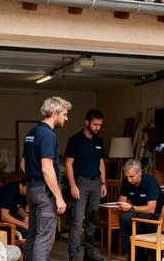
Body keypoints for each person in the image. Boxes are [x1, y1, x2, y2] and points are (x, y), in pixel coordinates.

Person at [23, 96, 71, 261]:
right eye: (64, 114)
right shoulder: (48, 135)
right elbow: (47, 168)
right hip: (44, 192)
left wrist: (33, 178)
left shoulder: (31, 132)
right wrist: (59, 197)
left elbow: (23, 164)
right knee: (44, 238)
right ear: (55, 113)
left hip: (32, 188)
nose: (66, 118)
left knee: (33, 234)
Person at [66, 109, 107, 261]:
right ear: (87, 122)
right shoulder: (75, 140)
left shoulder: (99, 141)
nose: (97, 127)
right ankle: (74, 256)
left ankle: (89, 253)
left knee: (92, 219)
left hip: (96, 182)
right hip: (80, 183)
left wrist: (103, 183)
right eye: (95, 124)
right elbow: (69, 164)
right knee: (77, 221)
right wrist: (72, 186)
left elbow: (101, 163)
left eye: (100, 125)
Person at [117, 159, 164, 257]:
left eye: (132, 176)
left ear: (140, 172)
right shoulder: (126, 182)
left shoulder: (151, 182)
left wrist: (131, 208)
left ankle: (140, 255)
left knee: (127, 217)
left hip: (155, 217)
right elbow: (122, 202)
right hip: (138, 215)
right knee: (125, 218)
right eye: (127, 176)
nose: (129, 180)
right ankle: (134, 255)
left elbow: (151, 209)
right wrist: (126, 205)